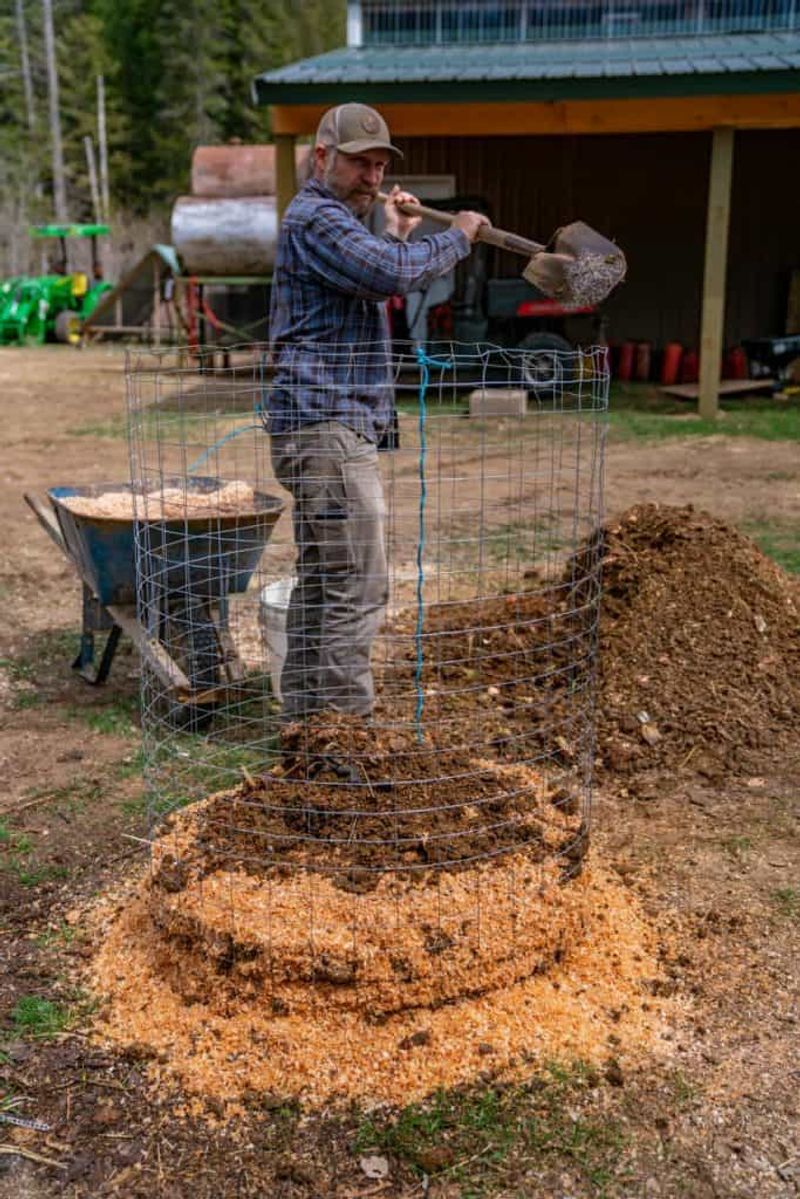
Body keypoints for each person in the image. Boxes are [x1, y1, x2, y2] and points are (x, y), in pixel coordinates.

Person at [266, 102, 489, 721]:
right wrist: (457, 237)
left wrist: (394, 232)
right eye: (360, 163)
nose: (372, 176)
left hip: (325, 427)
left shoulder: (336, 225)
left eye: (380, 164)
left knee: (327, 581)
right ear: (320, 158)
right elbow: (388, 276)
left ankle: (308, 728)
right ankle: (345, 739)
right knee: (358, 587)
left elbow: (368, 276)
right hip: (325, 426)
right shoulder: (316, 217)